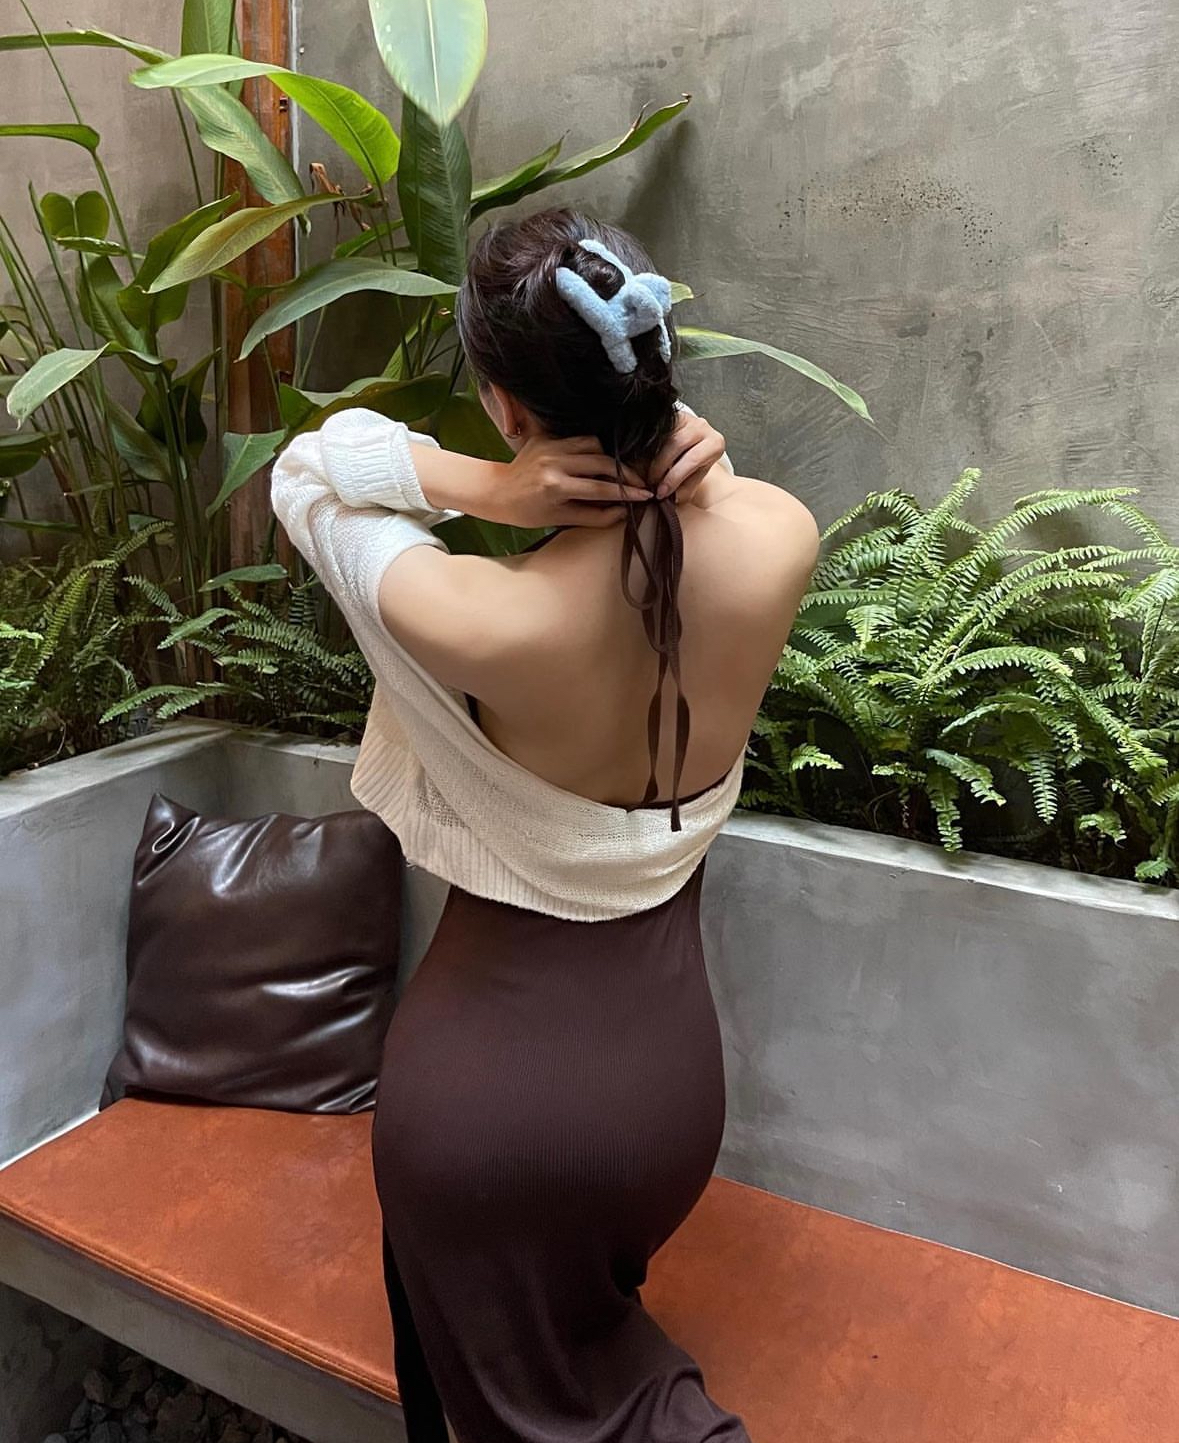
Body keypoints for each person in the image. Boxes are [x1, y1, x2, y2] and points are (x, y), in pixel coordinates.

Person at [270, 206, 819, 1443]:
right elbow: (712, 500)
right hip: (669, 1096)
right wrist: (689, 448)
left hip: (490, 1121)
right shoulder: (781, 537)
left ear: (505, 405)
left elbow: (306, 472)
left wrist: (483, 488)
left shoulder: (490, 621)